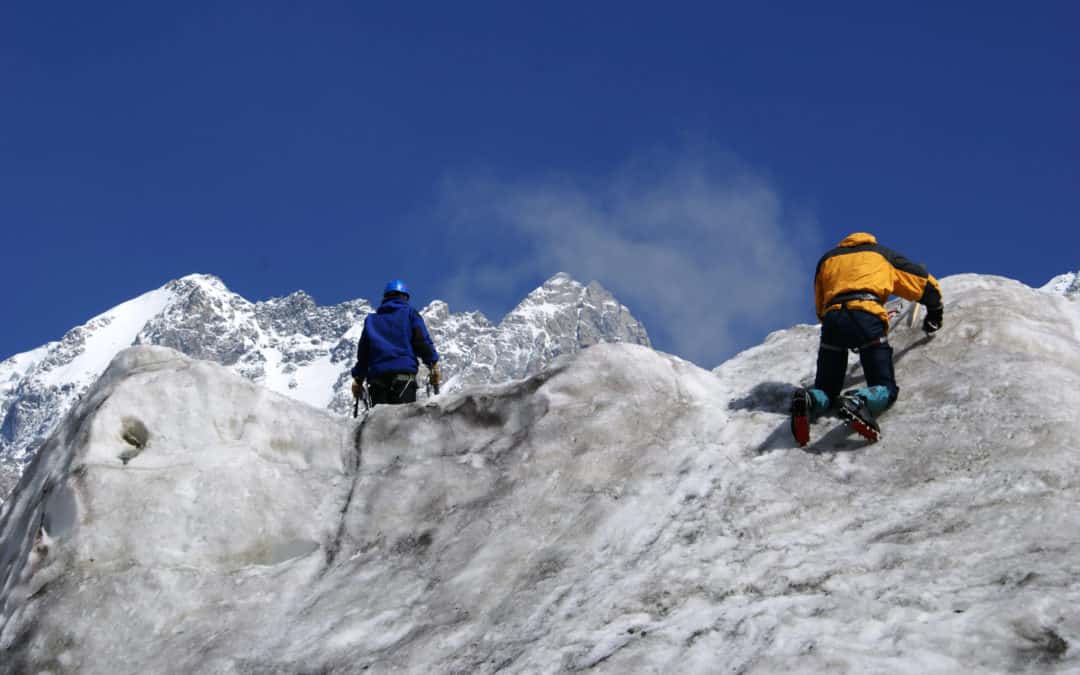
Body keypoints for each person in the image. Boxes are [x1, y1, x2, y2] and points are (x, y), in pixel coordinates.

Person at [791, 232, 943, 445]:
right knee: (885, 387)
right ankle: (858, 400)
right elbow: (922, 282)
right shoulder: (881, 255)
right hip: (867, 317)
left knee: (827, 388)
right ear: (870, 240)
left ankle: (809, 400)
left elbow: (820, 300)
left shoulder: (828, 260)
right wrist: (935, 310)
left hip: (833, 319)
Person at [351, 279, 441, 407]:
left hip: (377, 381)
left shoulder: (371, 320)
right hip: (403, 378)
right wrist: (432, 363)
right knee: (403, 424)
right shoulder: (410, 313)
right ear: (405, 297)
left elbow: (363, 354)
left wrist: (358, 378)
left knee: (379, 424)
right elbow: (421, 341)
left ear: (385, 298)